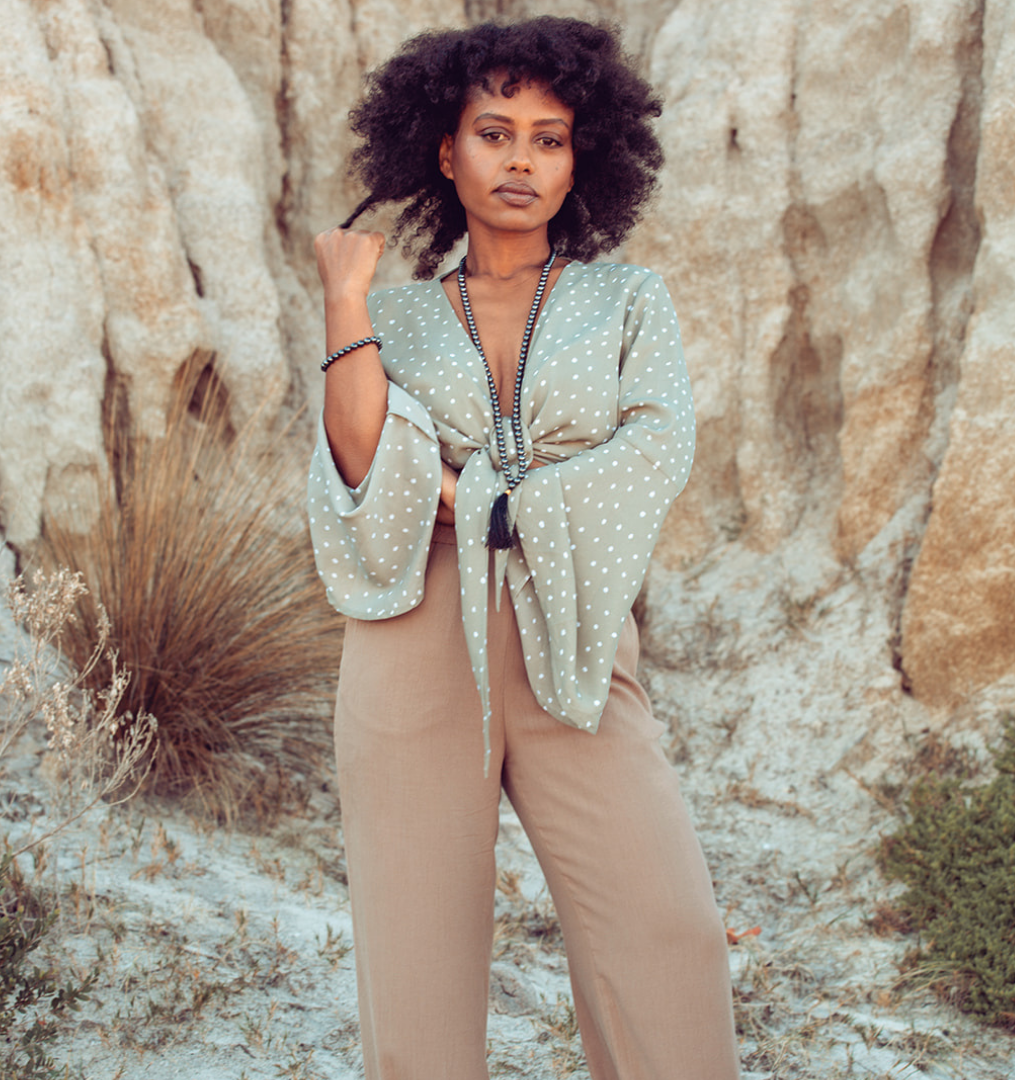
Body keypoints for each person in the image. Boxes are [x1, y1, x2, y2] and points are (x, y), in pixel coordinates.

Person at [307, 16, 741, 1080]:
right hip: (413, 647)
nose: (522, 161)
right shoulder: (394, 318)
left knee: (669, 934)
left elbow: (656, 451)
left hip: (576, 640)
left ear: (582, 160)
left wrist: (477, 498)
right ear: (444, 150)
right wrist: (344, 301)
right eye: (494, 133)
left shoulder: (626, 299)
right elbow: (364, 463)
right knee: (417, 980)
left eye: (550, 139)